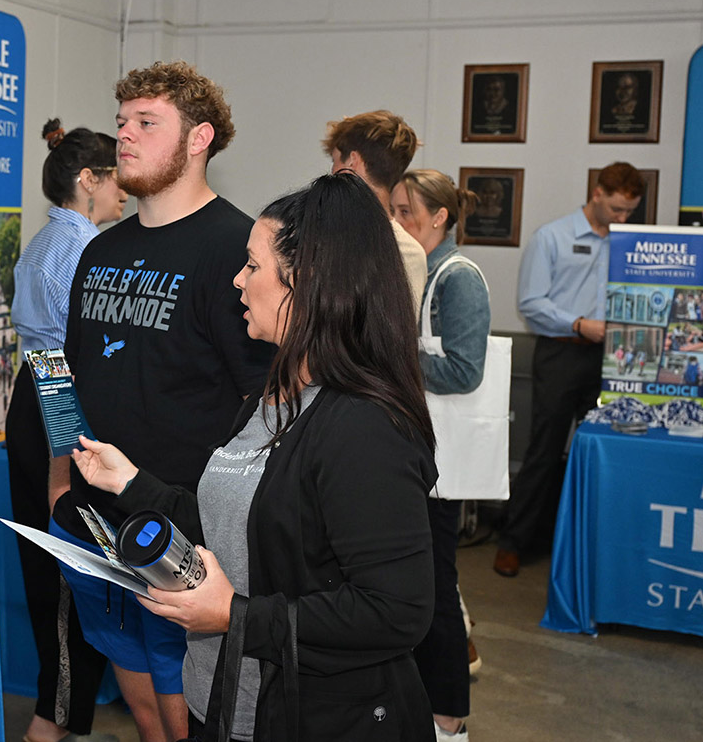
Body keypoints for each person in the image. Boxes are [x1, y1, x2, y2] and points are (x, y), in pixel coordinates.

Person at [72, 173, 437, 741]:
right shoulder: (270, 396)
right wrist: (132, 484)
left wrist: (234, 616)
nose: (238, 281)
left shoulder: (363, 427)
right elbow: (233, 526)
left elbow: (396, 612)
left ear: (305, 283)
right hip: (220, 703)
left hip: (307, 717)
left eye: (253, 266)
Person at [51, 61, 274, 742]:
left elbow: (261, 403)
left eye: (147, 123)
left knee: (192, 706)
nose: (125, 136)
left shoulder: (236, 248)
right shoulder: (100, 251)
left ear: (199, 137)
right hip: (91, 520)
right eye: (122, 122)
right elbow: (70, 378)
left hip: (183, 527)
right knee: (138, 693)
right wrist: (59, 487)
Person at [6, 118, 127, 742]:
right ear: (89, 180)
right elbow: (60, 363)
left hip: (36, 399)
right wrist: (63, 463)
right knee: (66, 578)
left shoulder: (44, 242)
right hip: (57, 405)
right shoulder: (81, 251)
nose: (124, 189)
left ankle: (58, 720)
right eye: (114, 177)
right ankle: (50, 726)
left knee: (60, 578)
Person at [495, 162, 646, 577]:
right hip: (562, 352)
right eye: (616, 209)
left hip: (614, 358)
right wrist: (578, 324)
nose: (622, 218)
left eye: (629, 211)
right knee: (544, 449)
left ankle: (592, 547)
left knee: (604, 450)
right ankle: (513, 542)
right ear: (596, 193)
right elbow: (530, 302)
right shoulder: (552, 237)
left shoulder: (631, 241)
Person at [392, 170, 489, 742]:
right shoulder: (422, 273)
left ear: (439, 218)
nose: (399, 221)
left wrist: (391, 357)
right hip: (419, 455)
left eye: (408, 211)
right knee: (423, 584)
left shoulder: (458, 278)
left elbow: (464, 369)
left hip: (444, 465)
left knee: (439, 586)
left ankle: (449, 718)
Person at [322, 110, 428, 313]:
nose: (332, 171)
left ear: (352, 161)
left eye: (335, 161)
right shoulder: (411, 252)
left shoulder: (321, 238)